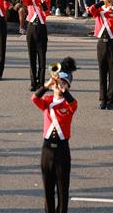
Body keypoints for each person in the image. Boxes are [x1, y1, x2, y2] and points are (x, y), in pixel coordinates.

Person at [32, 57, 78, 213]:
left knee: (63, 190)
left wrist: (63, 89)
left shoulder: (69, 104)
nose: (59, 86)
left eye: (64, 83)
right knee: (48, 189)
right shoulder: (47, 100)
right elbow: (34, 98)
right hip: (47, 150)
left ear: (68, 86)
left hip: (62, 150)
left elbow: (72, 104)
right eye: (59, 83)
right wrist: (48, 84)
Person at [88, 0, 113, 110]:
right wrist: (101, 2)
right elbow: (91, 10)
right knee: (102, 72)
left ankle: (111, 99)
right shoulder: (99, 10)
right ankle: (103, 99)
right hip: (101, 43)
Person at [22, 0, 52, 91]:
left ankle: (41, 83)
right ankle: (33, 82)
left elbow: (46, 12)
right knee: (32, 57)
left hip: (41, 27)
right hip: (31, 27)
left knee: (42, 57)